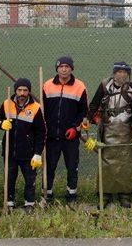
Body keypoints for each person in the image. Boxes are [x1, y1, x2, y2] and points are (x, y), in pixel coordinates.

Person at [88, 62, 132, 208]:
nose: (122, 74)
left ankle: (125, 195)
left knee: (126, 163)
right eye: (119, 72)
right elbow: (94, 104)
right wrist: (87, 119)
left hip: (126, 130)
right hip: (107, 129)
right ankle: (105, 194)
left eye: (125, 72)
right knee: (106, 162)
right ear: (114, 73)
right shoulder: (104, 85)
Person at [42, 56, 88, 204]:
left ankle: (71, 195)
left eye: (67, 67)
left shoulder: (80, 86)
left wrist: (76, 128)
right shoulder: (47, 85)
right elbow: (42, 110)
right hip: (51, 136)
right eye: (61, 66)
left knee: (72, 167)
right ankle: (47, 194)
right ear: (57, 69)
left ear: (71, 69)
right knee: (49, 166)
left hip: (70, 137)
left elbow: (83, 112)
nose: (64, 69)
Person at [0, 78, 46, 211]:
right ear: (15, 91)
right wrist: (1, 124)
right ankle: (9, 203)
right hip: (10, 151)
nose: (22, 93)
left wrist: (37, 153)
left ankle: (29, 203)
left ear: (29, 92)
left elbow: (41, 132)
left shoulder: (36, 108)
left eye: (25, 90)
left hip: (28, 152)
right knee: (10, 178)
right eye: (19, 90)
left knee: (30, 180)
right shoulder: (7, 103)